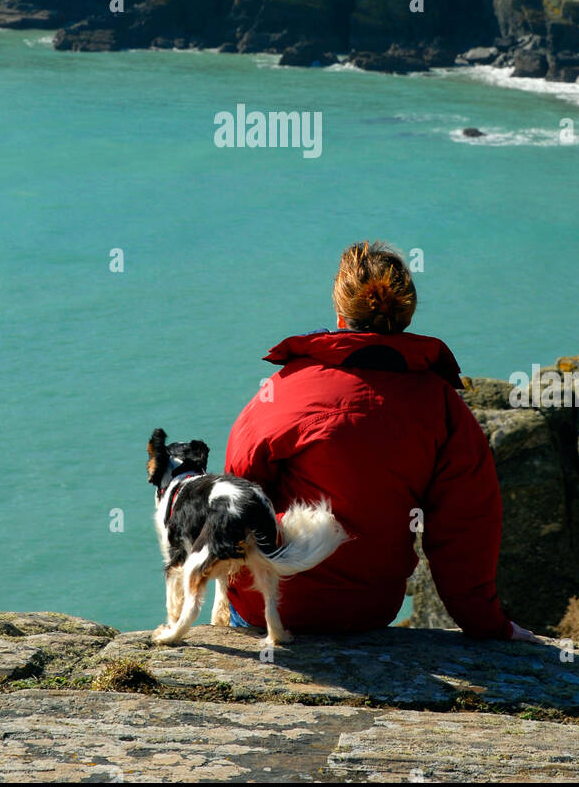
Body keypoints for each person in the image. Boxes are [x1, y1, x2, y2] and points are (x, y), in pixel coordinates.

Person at [224, 240, 537, 641]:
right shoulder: (441, 405)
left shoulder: (283, 390)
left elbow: (235, 497)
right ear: (405, 314)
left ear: (340, 312)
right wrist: (489, 626)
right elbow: (466, 528)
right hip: (370, 609)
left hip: (271, 607)